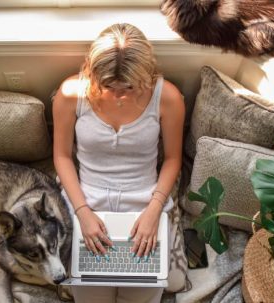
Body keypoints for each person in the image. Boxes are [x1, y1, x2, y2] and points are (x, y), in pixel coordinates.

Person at [52, 23, 185, 303]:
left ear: (146, 74)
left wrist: (153, 210)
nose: (119, 95)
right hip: (86, 199)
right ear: (92, 70)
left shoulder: (168, 97)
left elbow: (173, 159)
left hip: (145, 201)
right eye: (109, 86)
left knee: (142, 289)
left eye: (128, 87)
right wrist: (82, 212)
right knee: (90, 291)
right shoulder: (70, 93)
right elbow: (62, 156)